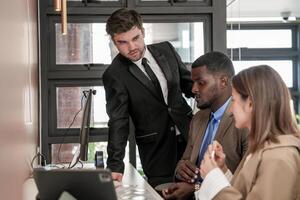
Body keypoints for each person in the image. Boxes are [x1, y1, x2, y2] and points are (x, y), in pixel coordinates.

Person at [103, 8, 194, 187]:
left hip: (190, 137)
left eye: (135, 38)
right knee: (164, 193)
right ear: (114, 42)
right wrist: (115, 165)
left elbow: (189, 85)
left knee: (197, 189)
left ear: (143, 32)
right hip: (157, 152)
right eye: (123, 42)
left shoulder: (166, 50)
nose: (132, 47)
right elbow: (118, 122)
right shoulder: (114, 74)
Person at [197, 65, 300, 200]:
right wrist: (222, 171)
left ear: (250, 103)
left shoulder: (278, 158)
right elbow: (248, 194)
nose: (230, 111)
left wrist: (213, 177)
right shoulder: (263, 148)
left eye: (233, 100)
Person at [162, 51, 248, 199]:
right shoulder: (198, 118)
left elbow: (244, 185)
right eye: (193, 82)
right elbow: (185, 160)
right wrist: (181, 169)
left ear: (223, 81)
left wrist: (194, 188)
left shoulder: (244, 121)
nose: (194, 89)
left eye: (201, 83)